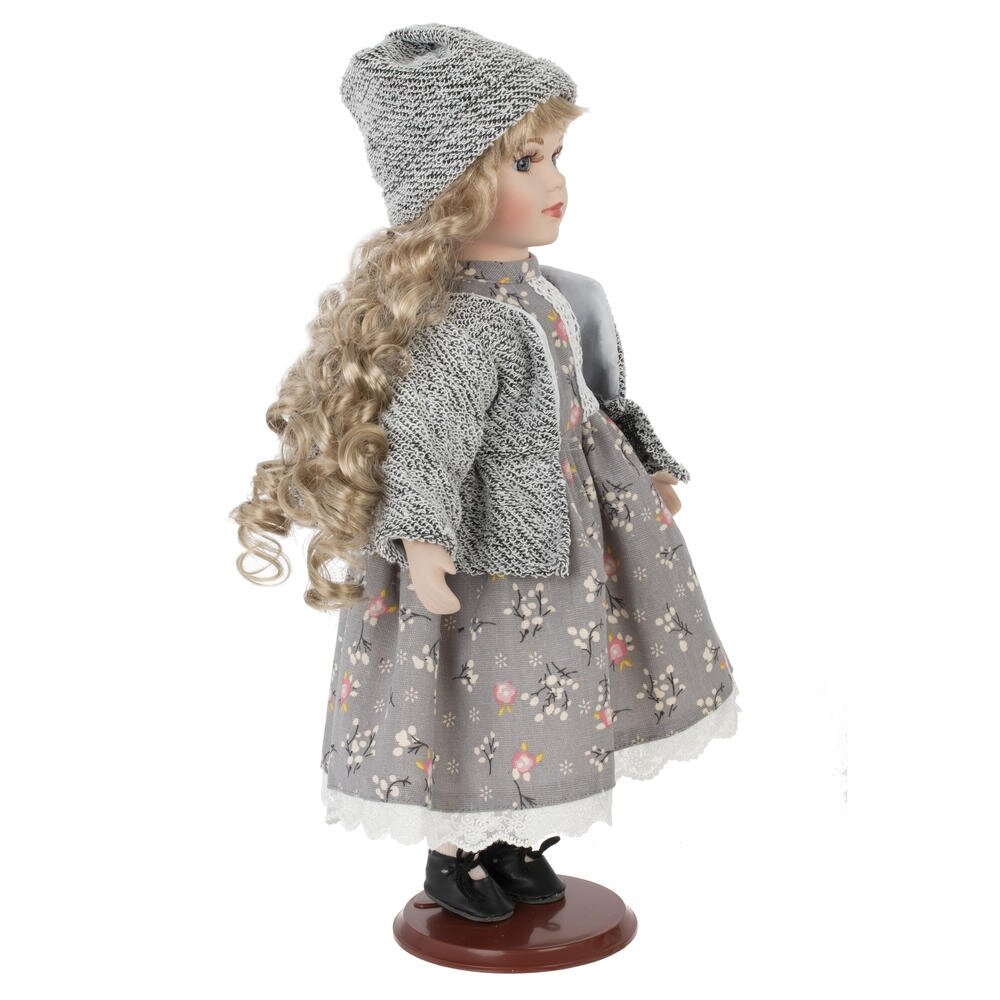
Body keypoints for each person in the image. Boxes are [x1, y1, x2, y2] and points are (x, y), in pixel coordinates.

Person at [231, 23, 741, 923]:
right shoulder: (459, 325)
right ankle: (454, 854)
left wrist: (648, 467)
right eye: (525, 162)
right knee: (477, 688)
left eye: (555, 157)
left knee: (545, 687)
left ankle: (512, 840)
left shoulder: (559, 293)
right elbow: (428, 441)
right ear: (452, 185)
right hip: (486, 555)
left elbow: (600, 395)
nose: (555, 182)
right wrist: (422, 542)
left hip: (572, 543)